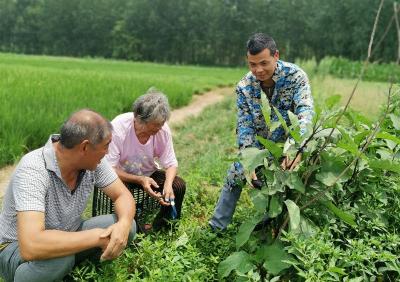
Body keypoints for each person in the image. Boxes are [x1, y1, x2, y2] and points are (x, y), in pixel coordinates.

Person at [0, 109, 137, 282]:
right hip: (15, 249)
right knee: (59, 259)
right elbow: (31, 246)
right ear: (85, 147)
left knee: (127, 225)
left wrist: (123, 225)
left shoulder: (93, 162)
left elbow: (122, 195)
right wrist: (96, 237)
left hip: (68, 232)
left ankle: (78, 274)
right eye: (106, 146)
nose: (108, 152)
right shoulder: (33, 170)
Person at [209, 33, 314, 231]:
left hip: (288, 145)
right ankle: (216, 227)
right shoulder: (244, 87)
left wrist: (295, 150)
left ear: (276, 55)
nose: (258, 70)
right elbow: (245, 127)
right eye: (252, 64)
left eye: (264, 63)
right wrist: (250, 161)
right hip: (259, 148)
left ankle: (275, 224)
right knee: (236, 172)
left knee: (289, 181)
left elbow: (305, 114)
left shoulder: (296, 76)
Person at [106, 88, 186, 231]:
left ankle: (162, 227)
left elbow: (171, 163)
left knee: (178, 186)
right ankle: (134, 230)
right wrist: (139, 180)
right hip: (121, 175)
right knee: (126, 198)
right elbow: (109, 169)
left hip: (148, 172)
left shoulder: (162, 130)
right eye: (155, 124)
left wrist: (167, 185)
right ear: (139, 119)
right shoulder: (119, 127)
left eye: (162, 123)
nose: (160, 127)